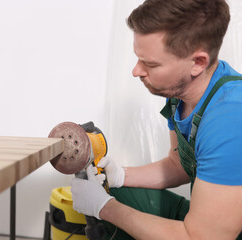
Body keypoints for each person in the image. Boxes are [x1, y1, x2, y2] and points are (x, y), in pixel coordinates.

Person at [71, 0, 242, 239]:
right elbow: (178, 165)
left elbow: (203, 238)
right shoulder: (179, 95)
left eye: (150, 64)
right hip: (207, 224)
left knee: (112, 206)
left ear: (198, 62)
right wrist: (121, 175)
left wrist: (104, 208)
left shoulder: (230, 118)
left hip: (212, 233)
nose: (136, 71)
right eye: (139, 58)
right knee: (116, 191)